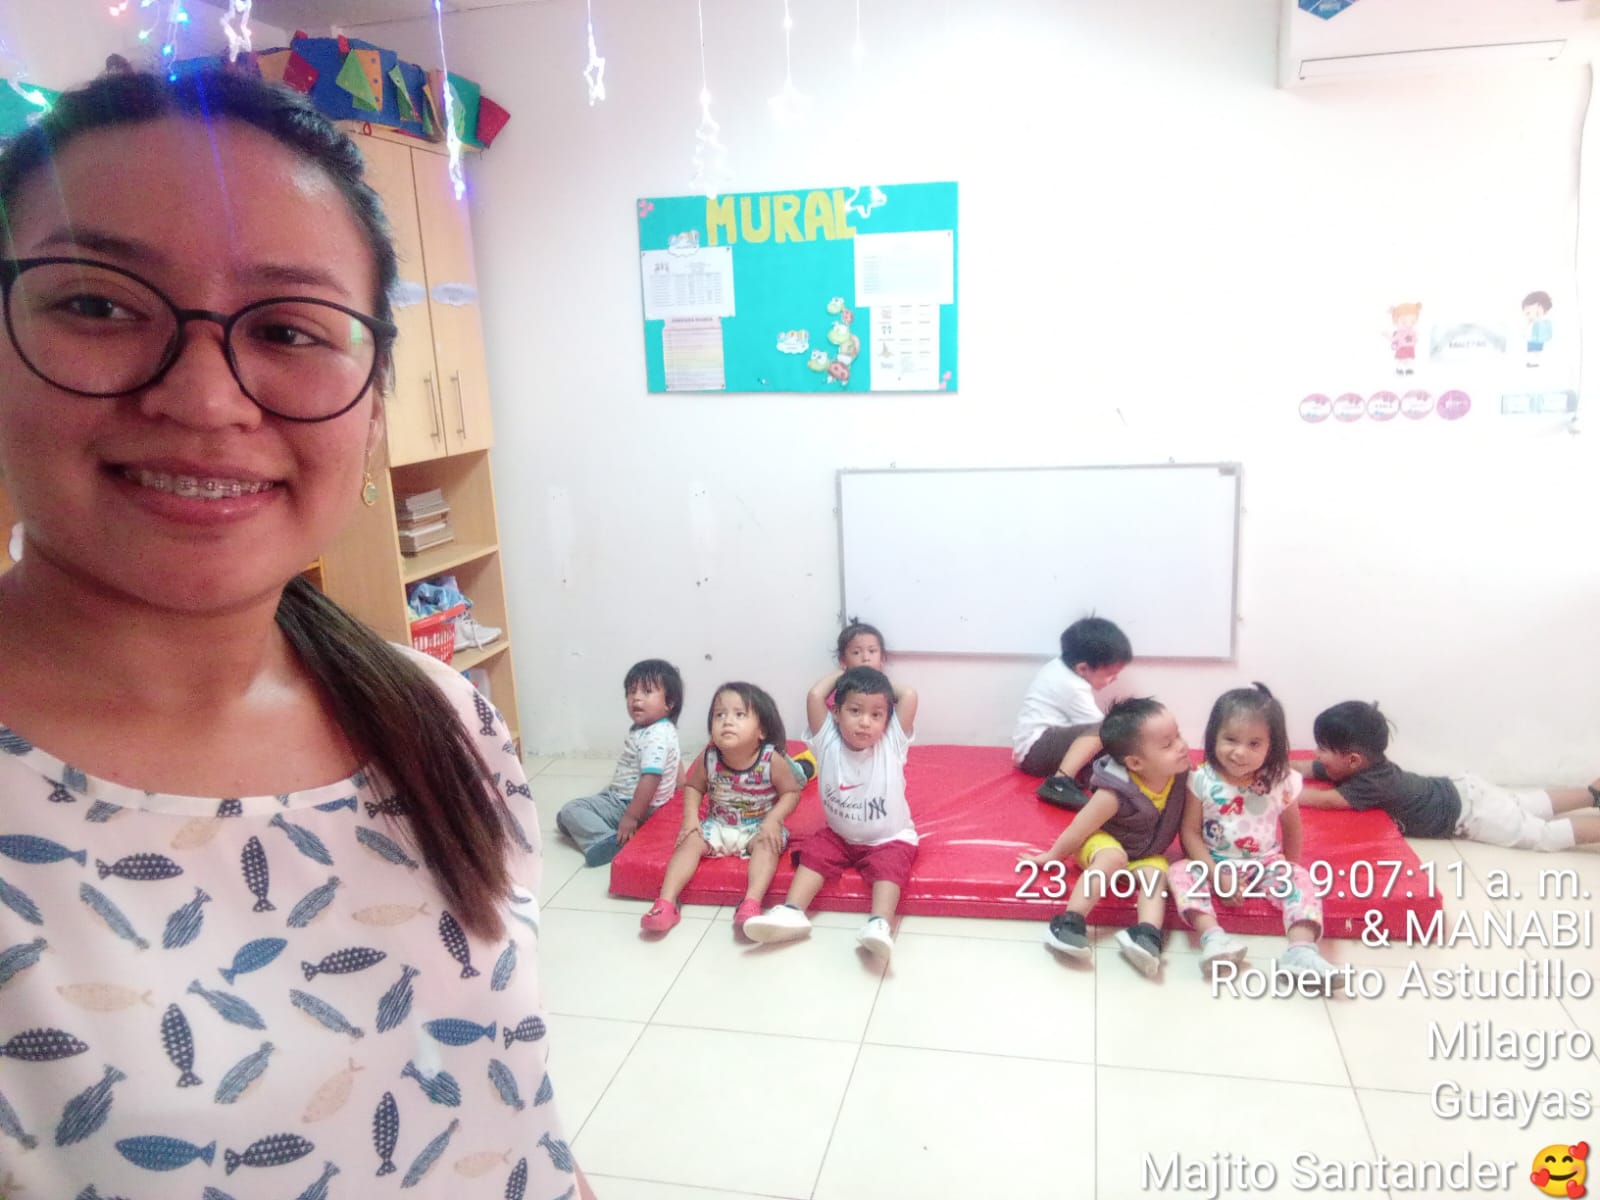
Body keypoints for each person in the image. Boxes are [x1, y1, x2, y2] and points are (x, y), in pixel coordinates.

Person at [0, 70, 588, 1198]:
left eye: (286, 328)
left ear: (374, 408)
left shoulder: (441, 717)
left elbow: (516, 1111)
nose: (205, 399)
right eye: (100, 306)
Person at [743, 666, 918, 959]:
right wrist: (846, 673)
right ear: (836, 713)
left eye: (876, 715)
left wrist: (869, 674)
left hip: (889, 839)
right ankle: (792, 912)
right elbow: (815, 695)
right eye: (855, 711)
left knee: (890, 868)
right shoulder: (827, 742)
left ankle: (879, 924)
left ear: (886, 720)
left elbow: (909, 695)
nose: (865, 722)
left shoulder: (891, 743)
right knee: (814, 853)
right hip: (839, 836)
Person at [1167, 685, 1339, 980]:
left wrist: (1288, 869)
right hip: (1214, 862)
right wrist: (1216, 875)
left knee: (1301, 878)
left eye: (1254, 743)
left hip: (1265, 863)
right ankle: (1214, 939)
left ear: (1271, 746)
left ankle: (1301, 951)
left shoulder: (1280, 781)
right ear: (1214, 736)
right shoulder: (1201, 779)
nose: (1239, 752)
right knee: (1179, 871)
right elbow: (1190, 834)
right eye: (1230, 739)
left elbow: (1292, 829)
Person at [1021, 697, 1188, 978]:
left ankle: (1145, 935)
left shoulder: (1179, 775)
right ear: (1135, 762)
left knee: (1156, 875)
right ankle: (1069, 923)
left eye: (1178, 735)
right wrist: (1052, 856)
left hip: (1144, 851)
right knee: (1113, 857)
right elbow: (1079, 828)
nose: (1181, 746)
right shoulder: (1114, 792)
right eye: (1168, 744)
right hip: (1101, 842)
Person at [1298, 701, 1600, 851]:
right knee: (1524, 803)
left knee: (1540, 834)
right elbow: (1309, 768)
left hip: (1470, 815)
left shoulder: (1372, 783)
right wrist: (1277, 769)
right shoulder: (1360, 766)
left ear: (1353, 759)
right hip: (1463, 790)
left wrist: (1281, 792)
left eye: (1322, 749)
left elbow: (1326, 800)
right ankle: (1593, 793)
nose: (1316, 754)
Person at [640, 682, 801, 936]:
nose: (727, 721)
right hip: (717, 824)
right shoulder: (710, 758)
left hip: (758, 827)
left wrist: (774, 819)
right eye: (720, 714)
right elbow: (694, 787)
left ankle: (751, 902)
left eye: (740, 714)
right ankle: (666, 902)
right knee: (690, 840)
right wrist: (690, 820)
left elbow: (791, 793)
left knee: (767, 846)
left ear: (761, 730)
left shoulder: (771, 760)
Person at [555, 658, 683, 867]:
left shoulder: (654, 736)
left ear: (670, 703)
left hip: (631, 804)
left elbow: (651, 777)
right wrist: (681, 791)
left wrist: (632, 816)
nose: (636, 698)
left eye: (647, 692)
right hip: (632, 799)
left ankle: (606, 841)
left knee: (571, 810)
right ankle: (603, 827)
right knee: (567, 817)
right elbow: (676, 761)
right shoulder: (665, 728)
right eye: (631, 692)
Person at [1013, 616, 1131, 809]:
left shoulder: (1059, 667)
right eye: (1110, 674)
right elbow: (1104, 731)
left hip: (1036, 749)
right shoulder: (1072, 686)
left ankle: (1090, 775)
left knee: (1106, 742)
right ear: (1083, 668)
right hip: (1036, 751)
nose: (1115, 679)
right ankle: (1060, 782)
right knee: (1106, 728)